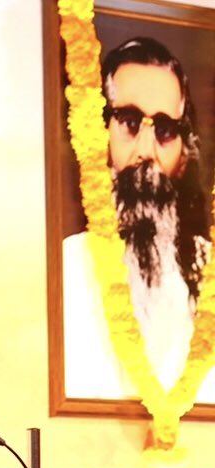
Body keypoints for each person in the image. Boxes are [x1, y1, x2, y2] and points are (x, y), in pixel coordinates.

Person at [62, 36, 215, 402]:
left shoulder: (210, 268)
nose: (146, 151)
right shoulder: (65, 266)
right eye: (130, 122)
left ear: (184, 150)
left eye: (164, 130)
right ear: (100, 132)